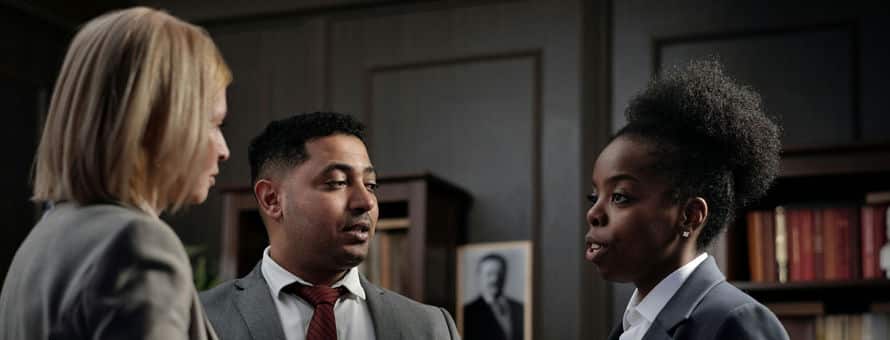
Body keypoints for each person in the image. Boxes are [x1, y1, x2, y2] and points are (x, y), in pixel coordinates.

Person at [0, 7, 231, 340]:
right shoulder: (138, 244)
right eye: (214, 123)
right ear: (158, 124)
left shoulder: (44, 238)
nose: (224, 150)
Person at [200, 112, 460, 340]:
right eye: (337, 182)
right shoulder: (202, 320)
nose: (366, 201)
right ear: (272, 199)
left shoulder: (430, 328)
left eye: (370, 185)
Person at [584, 60, 789, 340]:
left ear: (690, 216)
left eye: (619, 197)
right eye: (594, 196)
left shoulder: (735, 321)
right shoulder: (628, 328)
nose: (594, 213)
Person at [463, 253, 524, 340]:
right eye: (489, 274)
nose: (495, 279)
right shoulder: (468, 312)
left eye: (499, 274)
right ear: (479, 276)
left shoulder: (520, 308)